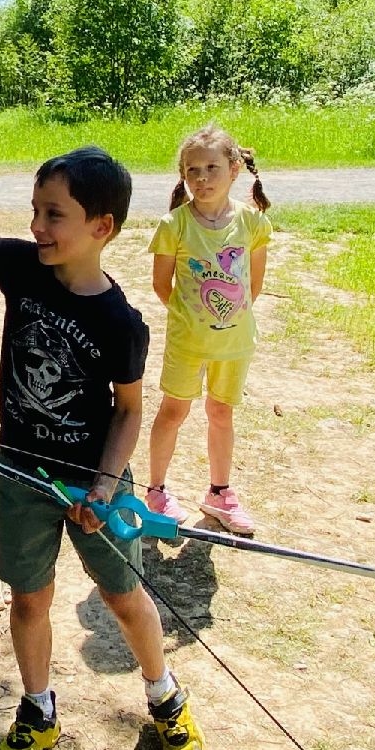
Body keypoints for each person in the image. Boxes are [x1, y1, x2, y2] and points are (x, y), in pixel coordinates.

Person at [0, 145, 204, 750]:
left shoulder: (122, 322)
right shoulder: (21, 265)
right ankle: (39, 709)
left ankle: (164, 696)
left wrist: (102, 489)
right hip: (19, 472)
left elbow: (128, 411)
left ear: (102, 227)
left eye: (54, 214)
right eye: (35, 210)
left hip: (96, 482)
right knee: (28, 600)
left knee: (125, 599)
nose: (38, 226)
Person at [144, 124, 272, 536]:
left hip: (234, 343)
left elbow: (254, 285)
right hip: (188, 343)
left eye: (211, 168)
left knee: (221, 412)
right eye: (192, 170)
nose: (201, 179)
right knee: (173, 411)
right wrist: (191, 320)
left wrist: (225, 322)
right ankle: (156, 493)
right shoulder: (174, 225)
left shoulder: (253, 224)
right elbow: (162, 285)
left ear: (234, 169)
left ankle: (219, 493)